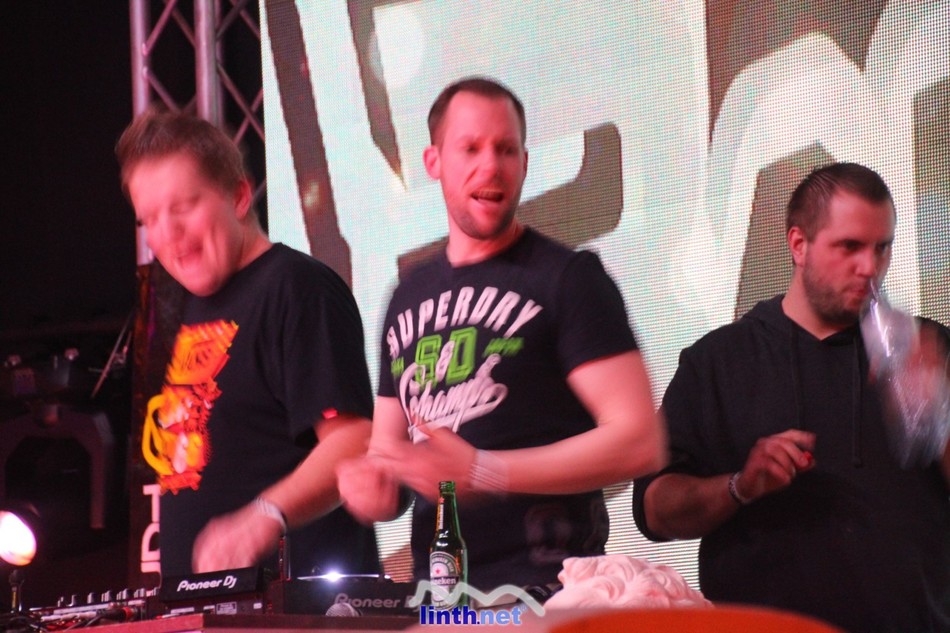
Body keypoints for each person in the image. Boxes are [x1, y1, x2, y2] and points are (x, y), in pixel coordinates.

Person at [337, 77, 667, 590]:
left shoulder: (567, 279)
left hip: (547, 591)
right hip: (442, 596)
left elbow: (639, 442)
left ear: (525, 163)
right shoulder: (406, 295)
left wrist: (485, 471)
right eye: (470, 148)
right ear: (433, 163)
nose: (491, 165)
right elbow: (389, 457)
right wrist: (372, 487)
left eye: (506, 149)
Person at [632, 162, 950, 632]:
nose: (869, 267)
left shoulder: (928, 348)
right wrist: (739, 486)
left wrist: (937, 418)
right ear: (798, 244)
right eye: (849, 247)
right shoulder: (718, 361)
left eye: (882, 248)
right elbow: (654, 510)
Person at [116, 109, 379, 579]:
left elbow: (354, 443)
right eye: (148, 219)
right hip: (215, 605)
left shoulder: (298, 288)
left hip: (302, 607)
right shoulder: (192, 307)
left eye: (183, 206)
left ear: (238, 196)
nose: (167, 233)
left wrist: (266, 514)